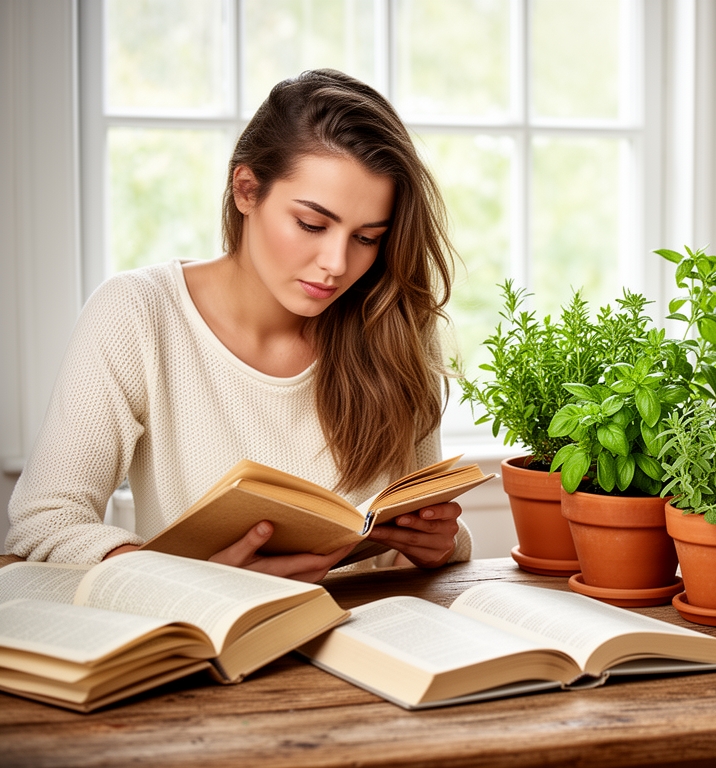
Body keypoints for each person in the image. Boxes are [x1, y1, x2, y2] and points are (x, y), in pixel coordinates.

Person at [6, 69, 470, 582]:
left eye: (367, 237)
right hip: (214, 641)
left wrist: (439, 541)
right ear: (246, 190)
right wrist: (192, 580)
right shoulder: (138, 314)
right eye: (312, 225)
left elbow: (411, 522)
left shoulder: (393, 320)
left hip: (371, 636)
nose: (337, 263)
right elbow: (46, 521)